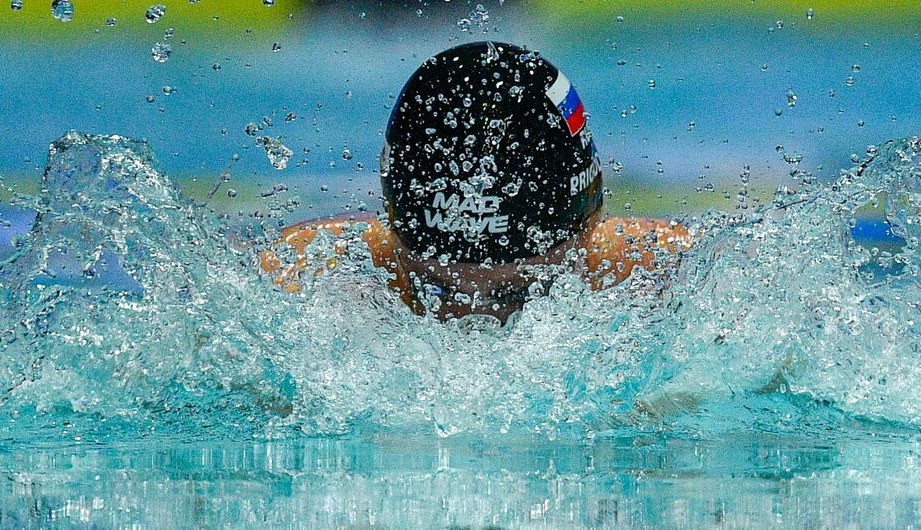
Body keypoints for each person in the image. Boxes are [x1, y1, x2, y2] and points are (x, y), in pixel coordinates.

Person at [260, 41, 694, 321]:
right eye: (435, 289)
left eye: (525, 293)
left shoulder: (674, 282)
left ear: (592, 226)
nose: (476, 323)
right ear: (390, 234)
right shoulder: (298, 284)